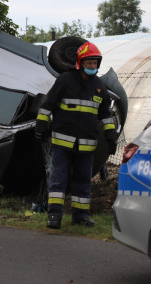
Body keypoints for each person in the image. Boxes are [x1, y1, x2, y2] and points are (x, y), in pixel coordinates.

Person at [35, 41, 118, 229]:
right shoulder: (65, 80)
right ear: (80, 63)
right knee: (59, 179)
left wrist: (111, 136)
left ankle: (80, 216)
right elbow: (48, 104)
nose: (93, 66)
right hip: (62, 142)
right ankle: (54, 216)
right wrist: (41, 124)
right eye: (89, 63)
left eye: (95, 63)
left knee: (82, 181)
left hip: (87, 145)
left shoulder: (99, 86)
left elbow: (106, 114)